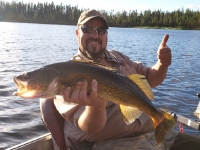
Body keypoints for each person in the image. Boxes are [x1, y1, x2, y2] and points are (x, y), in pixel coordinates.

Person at [40, 9, 200, 150]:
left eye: (101, 30)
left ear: (106, 35)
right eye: (87, 29)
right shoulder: (67, 75)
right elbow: (90, 128)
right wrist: (96, 105)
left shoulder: (118, 57)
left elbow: (151, 78)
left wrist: (162, 64)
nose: (95, 35)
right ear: (77, 33)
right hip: (112, 143)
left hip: (151, 134)